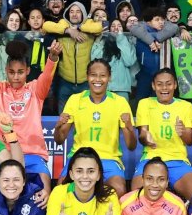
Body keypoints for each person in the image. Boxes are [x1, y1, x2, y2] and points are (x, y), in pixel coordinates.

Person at [0, 30, 61, 193]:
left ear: (28, 71)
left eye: (20, 72)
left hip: (33, 155)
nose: (16, 77)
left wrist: (52, 58)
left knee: (44, 191)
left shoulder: (36, 90)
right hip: (3, 154)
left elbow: (47, 76)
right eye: (11, 72)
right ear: (6, 70)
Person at [54, 58, 136, 195]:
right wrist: (58, 127)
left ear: (109, 77)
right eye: (93, 75)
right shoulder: (75, 100)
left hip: (109, 159)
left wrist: (130, 128)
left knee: (119, 189)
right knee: (61, 190)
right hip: (80, 156)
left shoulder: (120, 102)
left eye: (102, 75)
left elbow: (131, 146)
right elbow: (59, 140)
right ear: (87, 76)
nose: (97, 79)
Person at [133, 68, 192, 201]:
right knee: (137, 195)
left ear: (175, 85)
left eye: (168, 84)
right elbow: (142, 135)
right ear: (153, 86)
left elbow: (190, 141)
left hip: (178, 160)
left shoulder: (186, 106)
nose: (164, 88)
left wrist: (182, 132)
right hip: (151, 158)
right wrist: (146, 138)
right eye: (160, 84)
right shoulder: (145, 103)